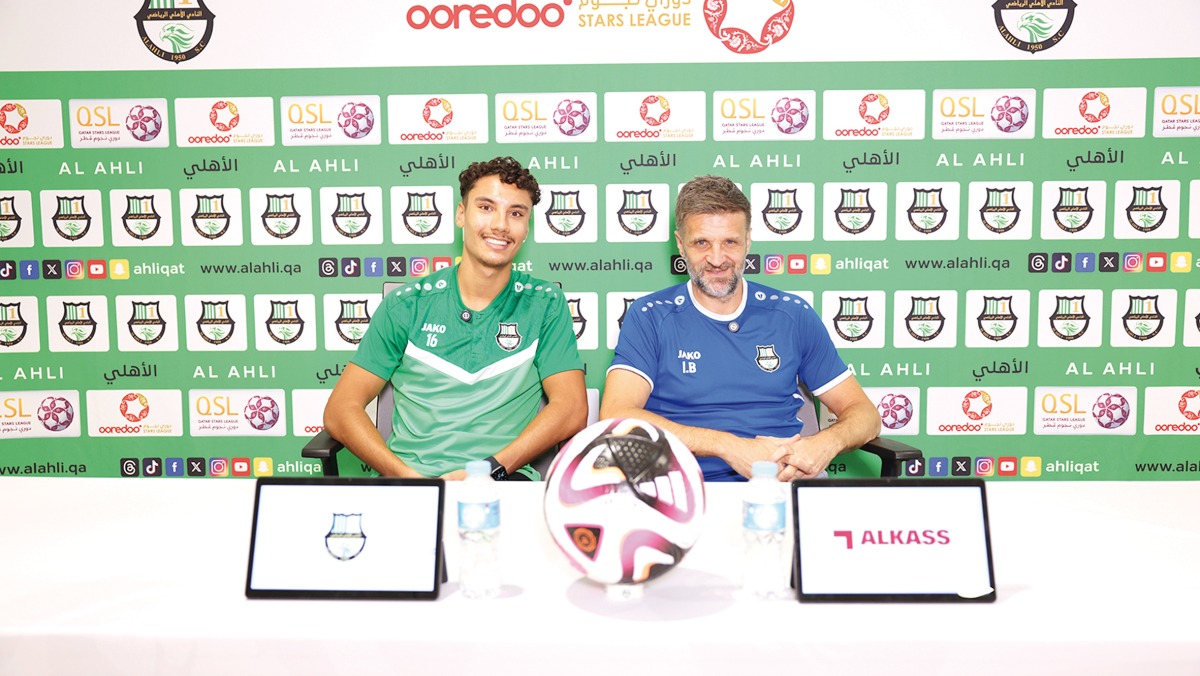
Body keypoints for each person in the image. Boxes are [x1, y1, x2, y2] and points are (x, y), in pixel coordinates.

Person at [600, 175, 881, 481]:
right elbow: (616, 413)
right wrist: (728, 447)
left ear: (747, 240)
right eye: (701, 243)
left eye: (730, 242)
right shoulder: (650, 316)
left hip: (783, 482)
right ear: (681, 244)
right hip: (684, 488)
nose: (717, 259)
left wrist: (824, 444)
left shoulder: (791, 314)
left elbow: (864, 414)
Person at [323, 156, 587, 480]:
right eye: (486, 207)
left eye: (516, 213)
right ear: (461, 215)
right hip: (413, 481)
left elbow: (572, 408)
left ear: (527, 227)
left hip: (502, 479)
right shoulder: (407, 305)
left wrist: (488, 470)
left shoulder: (545, 304)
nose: (501, 225)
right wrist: (406, 478)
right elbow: (341, 410)